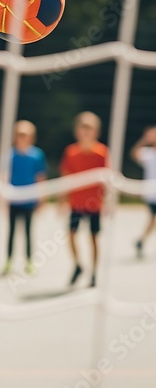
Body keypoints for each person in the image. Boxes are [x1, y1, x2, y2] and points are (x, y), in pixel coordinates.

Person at [60, 111, 109, 288]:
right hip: (76, 202)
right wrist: (62, 201)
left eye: (90, 129)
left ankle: (94, 272)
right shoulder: (71, 152)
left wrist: (108, 201)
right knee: (71, 235)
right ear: (77, 131)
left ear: (96, 131)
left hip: (94, 203)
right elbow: (66, 176)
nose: (86, 132)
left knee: (93, 238)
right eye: (83, 128)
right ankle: (78, 265)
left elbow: (107, 179)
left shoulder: (102, 152)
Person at [2, 120, 47, 276]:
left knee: (28, 232)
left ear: (31, 137)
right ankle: (8, 261)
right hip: (13, 200)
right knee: (11, 232)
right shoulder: (9, 155)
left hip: (29, 200)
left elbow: (40, 177)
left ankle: (29, 261)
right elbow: (4, 177)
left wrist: (42, 199)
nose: (22, 138)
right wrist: (3, 198)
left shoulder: (37, 155)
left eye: (25, 135)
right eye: (20, 134)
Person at [131, 126, 156, 258]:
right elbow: (134, 153)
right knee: (153, 220)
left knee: (153, 220)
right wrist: (145, 140)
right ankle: (141, 240)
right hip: (152, 194)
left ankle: (141, 240)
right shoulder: (148, 153)